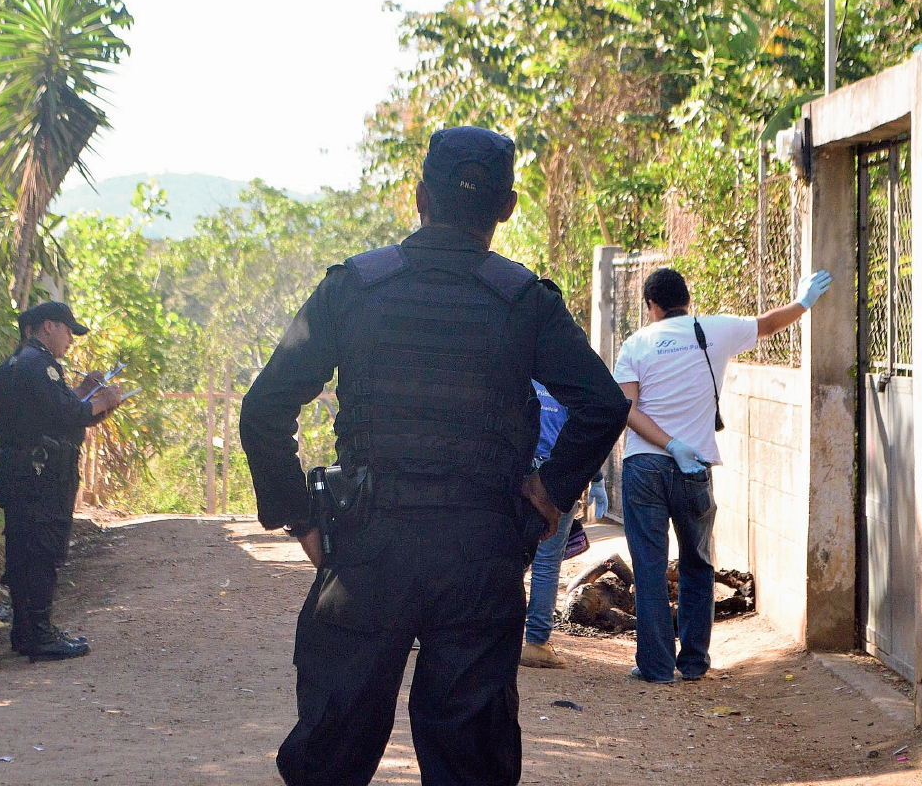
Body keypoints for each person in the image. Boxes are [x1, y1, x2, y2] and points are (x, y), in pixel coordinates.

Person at [239, 126, 630, 786]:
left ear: (419, 197)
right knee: (471, 762)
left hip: (366, 549)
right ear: (506, 208)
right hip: (479, 553)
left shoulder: (351, 289)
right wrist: (549, 491)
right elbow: (601, 402)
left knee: (330, 756)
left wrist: (300, 518)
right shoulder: (523, 300)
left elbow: (264, 408)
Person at [612, 266, 832, 683]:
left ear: (651, 306)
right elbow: (768, 324)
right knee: (697, 564)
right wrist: (803, 302)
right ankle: (694, 662)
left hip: (644, 467)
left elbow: (627, 410)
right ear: (687, 299)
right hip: (694, 466)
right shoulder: (715, 330)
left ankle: (657, 667)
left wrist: (665, 442)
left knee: (649, 566)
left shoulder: (636, 343)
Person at [0, 301, 122, 662]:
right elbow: (68, 414)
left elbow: (58, 415)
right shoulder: (40, 365)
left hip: (21, 474)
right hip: (42, 477)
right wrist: (103, 400)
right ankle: (39, 634)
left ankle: (27, 630)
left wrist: (86, 392)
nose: (70, 341)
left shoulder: (15, 365)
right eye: (67, 331)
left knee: (23, 552)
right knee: (42, 552)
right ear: (48, 327)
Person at [519, 380, 608, 669]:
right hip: (558, 475)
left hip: (517, 471)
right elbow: (587, 433)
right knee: (546, 562)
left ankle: (484, 630)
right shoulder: (570, 377)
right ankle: (536, 643)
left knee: (504, 553)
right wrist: (595, 480)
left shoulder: (520, 370)